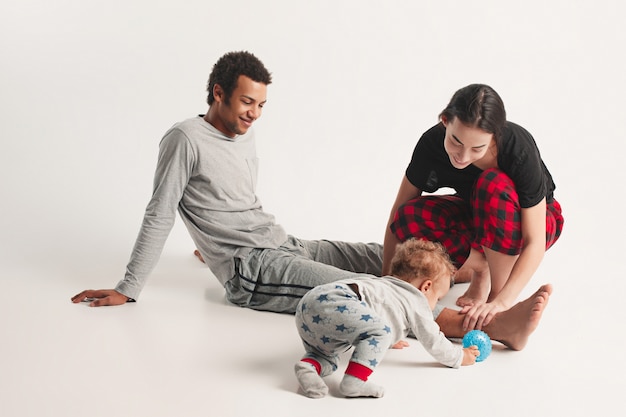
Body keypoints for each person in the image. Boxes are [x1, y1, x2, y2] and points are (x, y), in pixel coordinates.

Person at [71, 52, 553, 352]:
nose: (254, 114)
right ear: (217, 93)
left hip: (283, 243)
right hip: (249, 268)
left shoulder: (241, 136)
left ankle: (465, 273)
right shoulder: (184, 139)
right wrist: (130, 285)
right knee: (362, 285)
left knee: (388, 257)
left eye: (261, 104)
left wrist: (205, 241)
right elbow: (161, 209)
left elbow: (229, 204)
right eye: (245, 103)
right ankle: (493, 327)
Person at [382, 84, 563, 332]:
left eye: (477, 148)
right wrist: (387, 281)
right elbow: (397, 216)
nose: (463, 156)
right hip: (479, 217)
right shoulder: (430, 144)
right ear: (445, 121)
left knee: (492, 183)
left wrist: (501, 302)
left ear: (495, 136)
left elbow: (535, 240)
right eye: (456, 141)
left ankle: (499, 308)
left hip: (533, 222)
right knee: (409, 217)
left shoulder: (517, 147)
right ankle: (480, 268)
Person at [294, 239, 480, 399]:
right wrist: (459, 356)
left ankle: (308, 367)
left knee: (327, 355)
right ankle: (354, 382)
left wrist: (389, 340)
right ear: (426, 286)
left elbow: (376, 312)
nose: (434, 304)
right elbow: (433, 338)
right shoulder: (415, 298)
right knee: (381, 332)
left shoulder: (385, 286)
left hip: (309, 303)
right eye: (437, 298)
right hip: (339, 300)